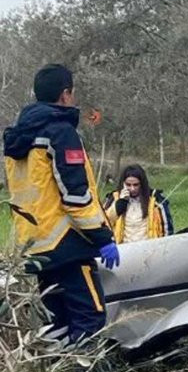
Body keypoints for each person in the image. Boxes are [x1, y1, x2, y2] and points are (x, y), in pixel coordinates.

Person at [3, 64, 120, 342]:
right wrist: (102, 237)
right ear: (66, 94)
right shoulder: (61, 133)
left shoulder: (17, 138)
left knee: (58, 323)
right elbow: (76, 196)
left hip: (35, 248)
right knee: (90, 319)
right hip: (68, 245)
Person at [104, 164, 173, 243]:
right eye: (128, 185)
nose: (132, 189)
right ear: (123, 184)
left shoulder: (155, 200)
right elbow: (104, 224)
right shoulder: (113, 198)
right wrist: (120, 204)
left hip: (150, 249)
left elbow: (167, 229)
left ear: (142, 184)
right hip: (123, 249)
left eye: (136, 185)